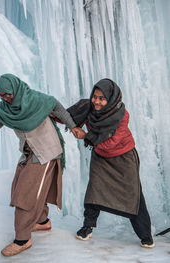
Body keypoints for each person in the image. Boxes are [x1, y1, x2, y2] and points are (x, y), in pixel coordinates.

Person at [0, 73, 83, 256]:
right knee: (22, 187)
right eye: (1, 95)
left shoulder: (36, 99)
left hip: (47, 151)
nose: (5, 98)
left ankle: (22, 239)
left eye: (8, 94)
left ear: (16, 89)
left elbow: (57, 107)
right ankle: (41, 222)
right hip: (30, 152)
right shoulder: (5, 109)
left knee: (25, 195)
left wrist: (73, 126)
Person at [66, 78, 154, 248]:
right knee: (94, 191)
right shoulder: (88, 109)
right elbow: (67, 116)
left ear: (111, 99)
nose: (96, 101)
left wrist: (86, 136)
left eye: (102, 98)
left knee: (134, 196)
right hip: (100, 157)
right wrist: (47, 110)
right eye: (95, 96)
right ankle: (87, 227)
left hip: (124, 158)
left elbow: (110, 142)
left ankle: (146, 235)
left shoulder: (121, 115)